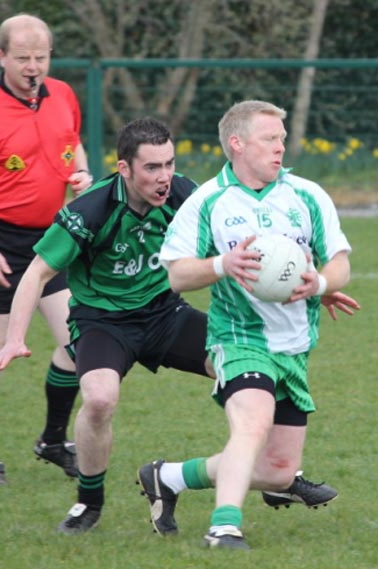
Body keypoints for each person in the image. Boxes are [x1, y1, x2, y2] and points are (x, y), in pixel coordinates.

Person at [0, 116, 358, 534]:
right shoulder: (90, 209)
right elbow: (36, 274)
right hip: (104, 322)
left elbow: (239, 240)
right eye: (152, 168)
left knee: (250, 372)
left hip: (165, 314)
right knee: (99, 399)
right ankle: (88, 504)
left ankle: (277, 476)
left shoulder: (185, 194)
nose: (165, 177)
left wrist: (313, 285)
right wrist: (14, 338)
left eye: (169, 164)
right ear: (124, 168)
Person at [141, 100, 353, 550]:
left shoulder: (307, 195)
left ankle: (168, 476)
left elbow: (340, 262)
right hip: (239, 338)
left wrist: (319, 283)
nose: (281, 148)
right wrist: (222, 264)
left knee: (277, 471)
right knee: (252, 423)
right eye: (270, 139)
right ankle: (224, 527)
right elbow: (177, 275)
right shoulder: (209, 202)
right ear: (237, 144)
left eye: (281, 138)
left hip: (294, 345)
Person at [0, 14, 93, 488]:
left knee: (80, 341)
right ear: (1, 57)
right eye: (23, 58)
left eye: (41, 57)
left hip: (51, 241)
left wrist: (82, 177)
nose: (33, 66)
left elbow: (74, 145)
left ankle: (52, 440)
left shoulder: (64, 95)